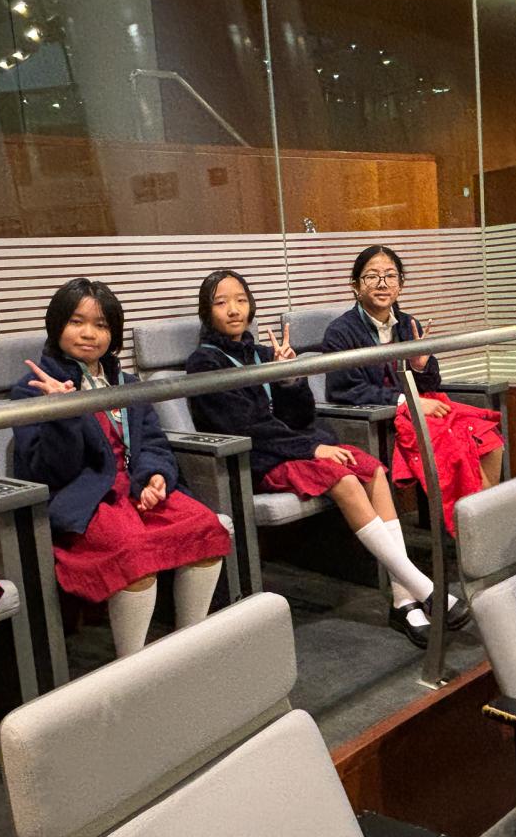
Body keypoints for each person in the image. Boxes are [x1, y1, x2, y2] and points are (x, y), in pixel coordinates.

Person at [184, 268, 443, 647]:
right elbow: (242, 426)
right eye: (221, 302)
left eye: (240, 300)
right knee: (345, 479)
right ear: (207, 312)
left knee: (373, 470)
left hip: (292, 446)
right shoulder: (204, 363)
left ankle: (404, 598)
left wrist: (289, 379)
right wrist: (312, 449)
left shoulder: (263, 353)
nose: (234, 309)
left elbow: (300, 417)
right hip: (256, 459)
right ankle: (425, 588)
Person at [11, 278, 229, 658]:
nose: (89, 334)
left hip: (133, 489)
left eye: (101, 325)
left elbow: (153, 440)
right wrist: (63, 414)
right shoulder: (33, 389)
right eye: (77, 322)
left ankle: (191, 645)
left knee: (203, 526)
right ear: (56, 324)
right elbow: (50, 471)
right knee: (133, 552)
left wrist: (155, 476)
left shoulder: (125, 382)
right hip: (85, 499)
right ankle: (133, 662)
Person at [322, 245, 504, 539]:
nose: (382, 284)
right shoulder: (340, 332)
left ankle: (481, 521)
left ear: (401, 284)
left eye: (390, 275)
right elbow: (344, 389)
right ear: (355, 285)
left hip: (423, 407)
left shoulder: (409, 324)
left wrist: (421, 367)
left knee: (489, 439)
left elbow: (431, 383)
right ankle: (479, 531)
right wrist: (407, 402)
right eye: (372, 276)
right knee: (458, 447)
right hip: (385, 419)